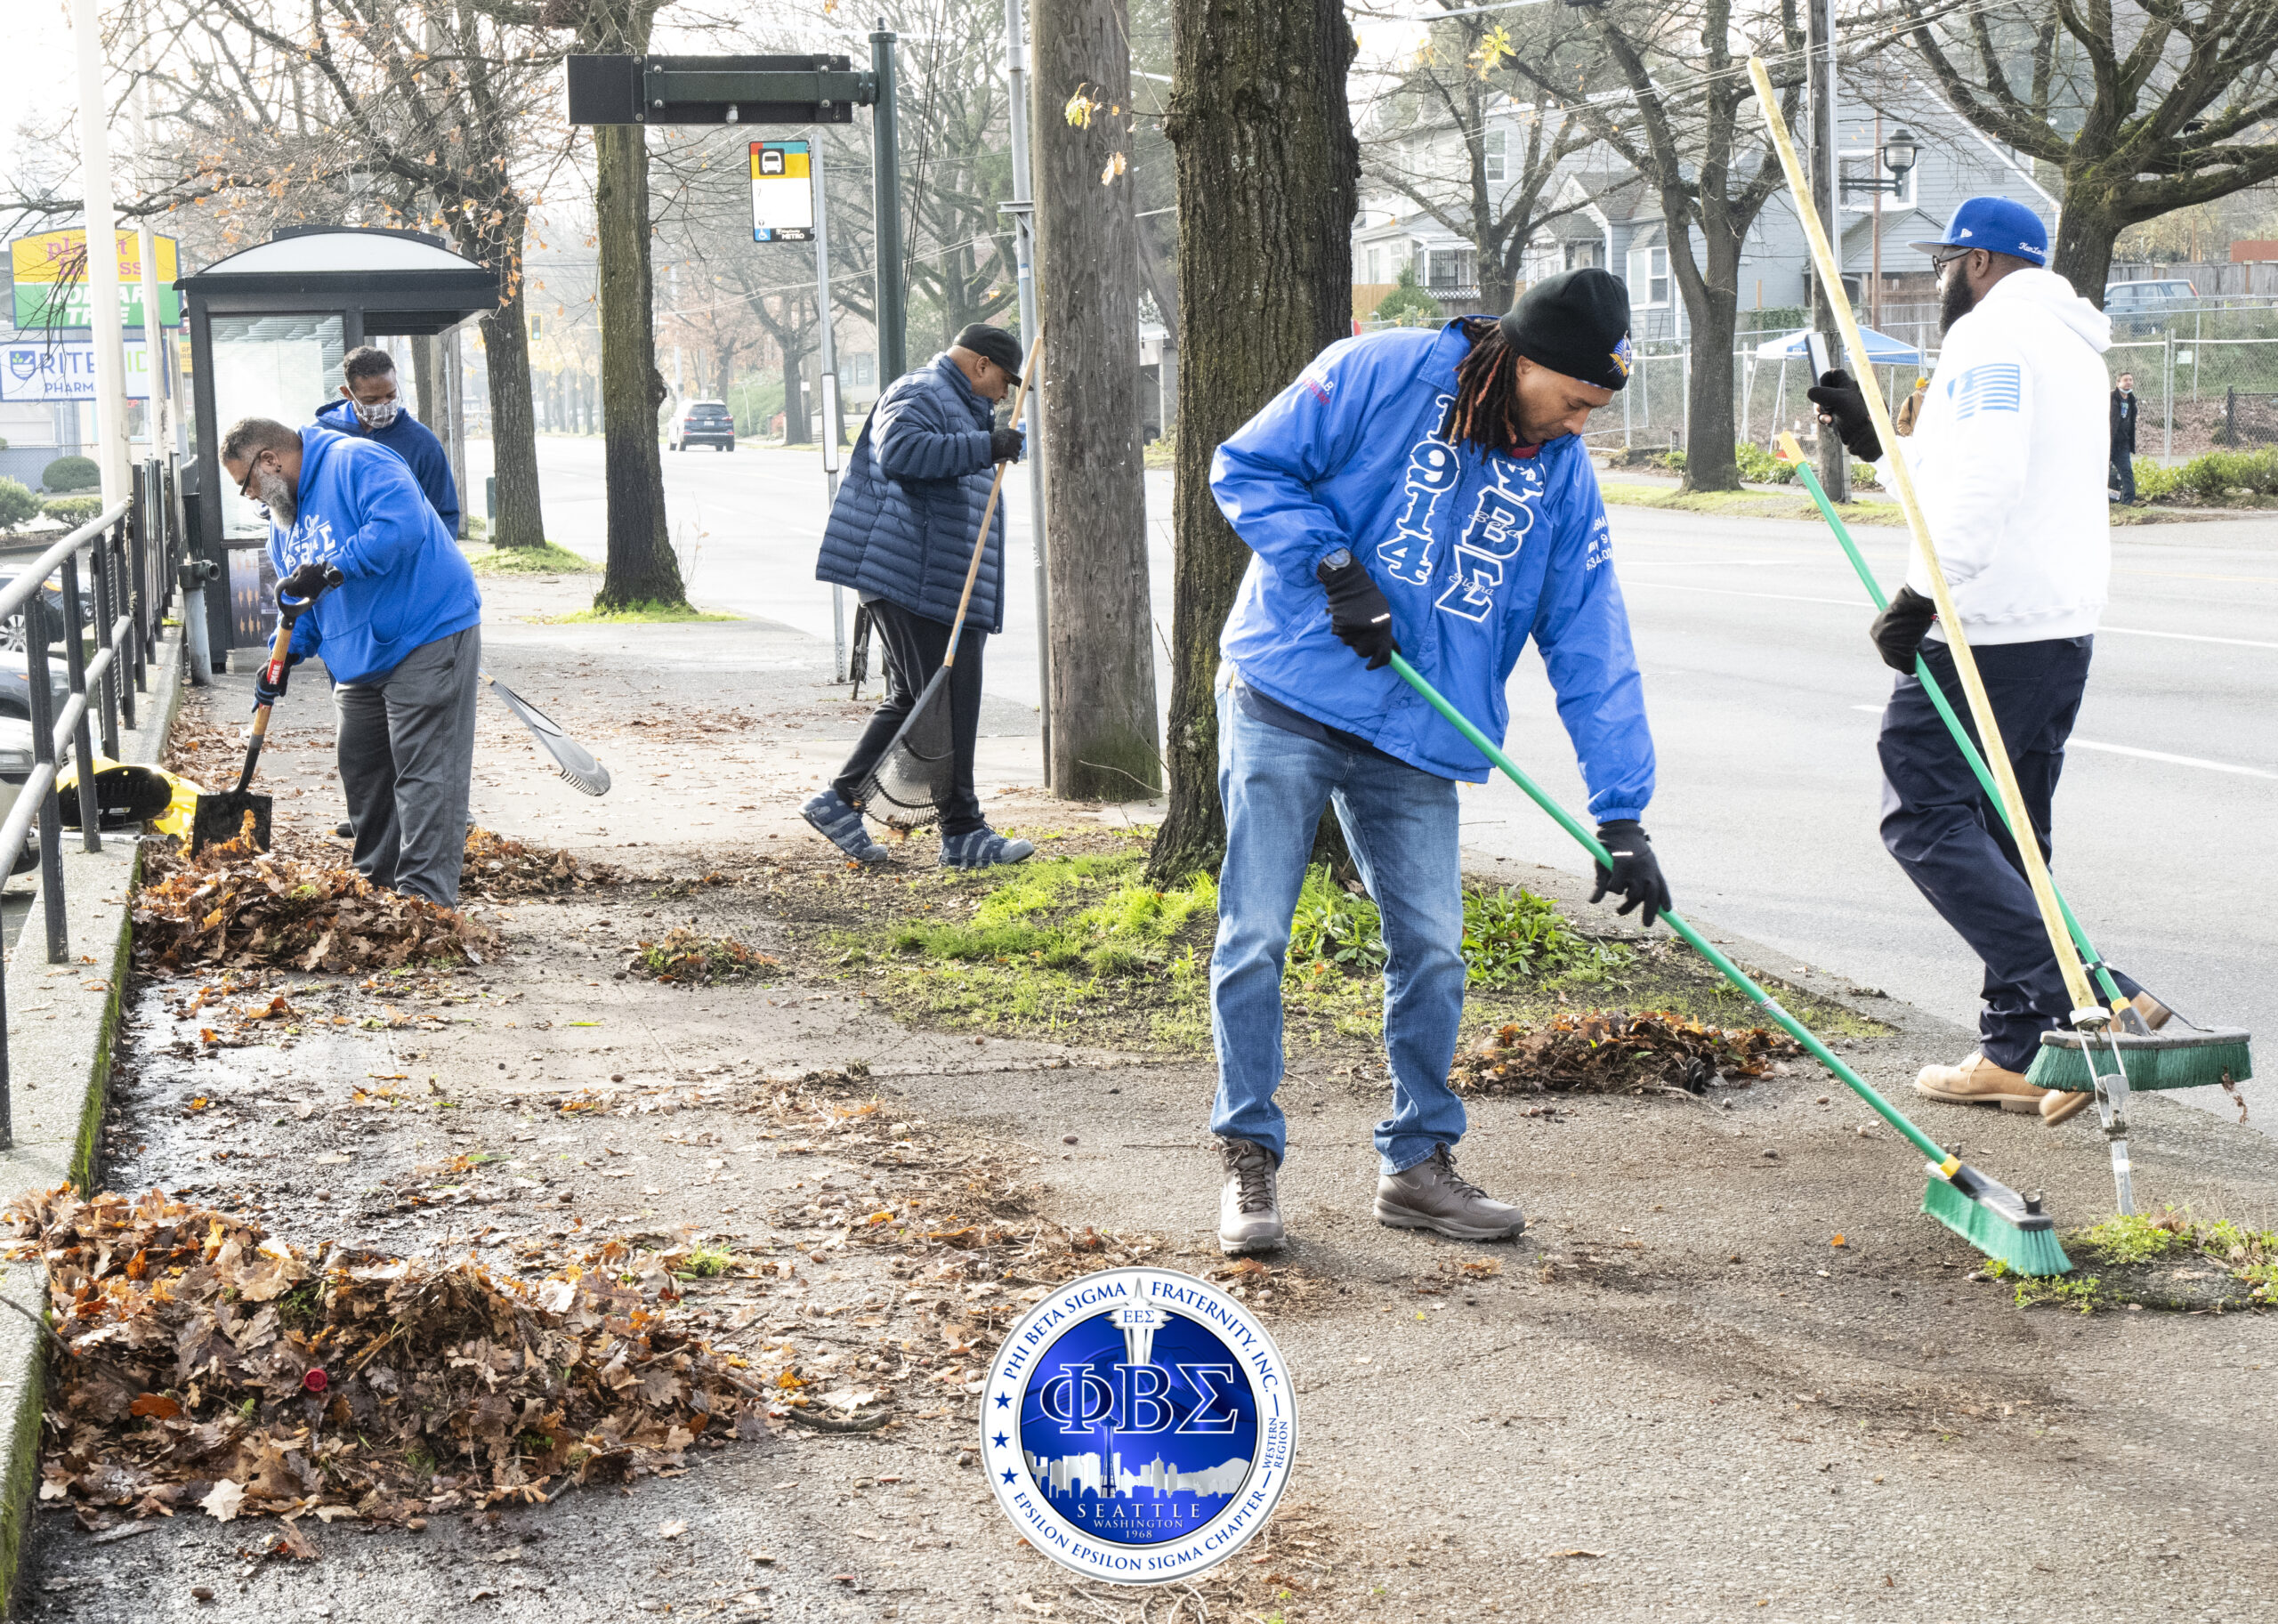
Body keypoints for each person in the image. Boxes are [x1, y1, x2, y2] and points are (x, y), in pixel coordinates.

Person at [1205, 269, 1667, 1255]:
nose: (1580, 424)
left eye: (1596, 408)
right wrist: (1331, 566)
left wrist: (1620, 811)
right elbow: (1247, 465)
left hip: (1417, 730)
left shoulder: (1560, 474)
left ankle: (1415, 1162)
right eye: (1574, 400)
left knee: (1435, 951)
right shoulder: (1376, 371)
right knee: (1255, 936)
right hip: (1288, 692)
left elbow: (1591, 640)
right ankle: (1249, 1157)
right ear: (1521, 359)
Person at [1808, 197, 2167, 1129]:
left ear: (1976, 263)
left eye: (1941, 265)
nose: (1936, 285)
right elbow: (1962, 469)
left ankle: (2089, 1000)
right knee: (2010, 837)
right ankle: (2016, 1050)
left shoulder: (1993, 340)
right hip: (2054, 624)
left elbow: (1987, 480)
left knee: (1922, 811)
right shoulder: (2064, 345)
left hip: (1988, 624)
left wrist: (1923, 594)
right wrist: (1876, 442)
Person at [220, 416, 483, 906]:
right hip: (359, 658)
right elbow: (303, 606)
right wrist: (285, 658)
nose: (251, 497)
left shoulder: (356, 461)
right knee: (363, 769)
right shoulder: (283, 526)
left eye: (247, 485)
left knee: (424, 772)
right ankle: (375, 889)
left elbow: (398, 528)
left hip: (426, 630)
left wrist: (334, 570)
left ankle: (425, 904)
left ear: (270, 460)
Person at [805, 323, 1034, 870]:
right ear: (979, 364)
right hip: (916, 577)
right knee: (949, 703)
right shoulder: (921, 391)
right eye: (1003, 380)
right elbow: (902, 452)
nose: (1004, 394)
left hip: (932, 578)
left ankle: (839, 803)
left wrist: (984, 439)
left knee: (918, 699)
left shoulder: (954, 402)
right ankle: (962, 833)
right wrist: (987, 446)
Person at [316, 346, 462, 536]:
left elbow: (443, 513)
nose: (384, 404)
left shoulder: (422, 443)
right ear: (347, 393)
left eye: (390, 395)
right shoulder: (319, 438)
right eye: (371, 399)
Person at [2109, 370, 2139, 504]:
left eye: (2130, 380)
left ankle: (2129, 500)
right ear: (2118, 383)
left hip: (2123, 443)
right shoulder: (2110, 397)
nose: (2128, 383)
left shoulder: (2132, 400)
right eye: (2125, 380)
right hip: (2109, 441)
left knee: (2126, 470)